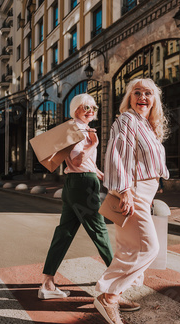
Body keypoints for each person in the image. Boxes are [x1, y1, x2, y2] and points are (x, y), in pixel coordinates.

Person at [93, 78, 170, 324]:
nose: (142, 97)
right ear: (129, 98)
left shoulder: (147, 125)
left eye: (148, 93)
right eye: (136, 93)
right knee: (149, 247)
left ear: (154, 100)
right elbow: (118, 154)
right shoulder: (127, 119)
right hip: (132, 191)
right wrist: (124, 190)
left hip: (143, 192)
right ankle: (109, 296)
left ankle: (117, 291)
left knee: (128, 247)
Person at [38, 94, 114, 300]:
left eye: (94, 108)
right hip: (83, 184)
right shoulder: (77, 129)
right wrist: (93, 144)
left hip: (74, 183)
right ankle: (118, 277)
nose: (91, 111)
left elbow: (84, 165)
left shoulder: (76, 127)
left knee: (64, 233)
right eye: (86, 107)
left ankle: (47, 282)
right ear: (76, 109)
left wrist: (101, 175)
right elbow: (79, 160)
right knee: (99, 230)